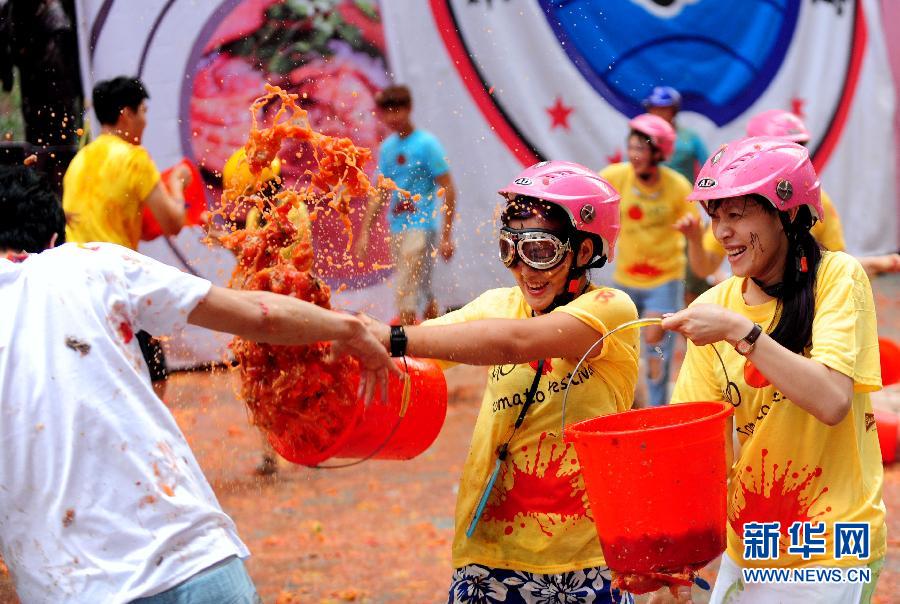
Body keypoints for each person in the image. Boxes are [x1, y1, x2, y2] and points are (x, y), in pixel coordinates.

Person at [0, 165, 396, 603]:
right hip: (194, 566)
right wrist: (346, 328)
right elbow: (256, 313)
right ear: (54, 240)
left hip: (68, 590)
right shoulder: (89, 263)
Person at [359, 161, 640, 603]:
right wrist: (348, 338)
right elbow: (431, 346)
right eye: (510, 249)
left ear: (584, 252)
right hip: (490, 551)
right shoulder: (497, 304)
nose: (525, 268)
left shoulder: (611, 308)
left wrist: (394, 337)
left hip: (585, 556)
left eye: (542, 251)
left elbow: (514, 343)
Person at [662, 137, 885, 603]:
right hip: (751, 545)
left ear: (785, 213)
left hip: (833, 545)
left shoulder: (837, 277)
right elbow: (701, 450)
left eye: (737, 214)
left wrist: (741, 333)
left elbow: (832, 401)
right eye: (716, 216)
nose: (721, 232)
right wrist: (676, 558)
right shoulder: (713, 308)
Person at [63, 76, 191, 399]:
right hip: (114, 285)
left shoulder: (77, 162)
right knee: (155, 375)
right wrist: (177, 183)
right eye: (143, 111)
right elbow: (173, 223)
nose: (145, 120)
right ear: (125, 114)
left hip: (73, 286)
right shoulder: (134, 159)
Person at [678, 109, 900, 280]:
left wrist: (876, 264)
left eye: (798, 150)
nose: (794, 162)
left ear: (792, 213)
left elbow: (837, 264)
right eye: (783, 151)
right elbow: (705, 267)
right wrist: (696, 240)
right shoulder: (730, 205)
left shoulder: (817, 200)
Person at [600, 113, 697, 407]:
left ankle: (657, 412)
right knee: (617, 348)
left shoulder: (678, 186)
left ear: (659, 152)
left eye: (641, 149)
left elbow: (697, 227)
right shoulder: (616, 176)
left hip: (664, 280)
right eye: (631, 147)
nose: (634, 155)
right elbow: (590, 198)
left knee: (655, 344)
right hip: (625, 280)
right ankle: (626, 407)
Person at [355, 84, 457, 325]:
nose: (393, 117)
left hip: (422, 225)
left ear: (409, 108)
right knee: (419, 287)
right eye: (387, 111)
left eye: (397, 110)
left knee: (406, 288)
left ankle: (409, 347)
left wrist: (446, 235)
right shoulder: (387, 148)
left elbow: (449, 187)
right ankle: (434, 338)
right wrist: (365, 232)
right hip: (398, 226)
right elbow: (380, 192)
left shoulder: (427, 144)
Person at [643, 85, 712, 305]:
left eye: (662, 108)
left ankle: (693, 327)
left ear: (673, 110)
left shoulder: (689, 138)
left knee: (691, 273)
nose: (657, 113)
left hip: (683, 210)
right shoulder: (642, 139)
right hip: (652, 213)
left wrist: (711, 203)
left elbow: (709, 167)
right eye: (653, 108)